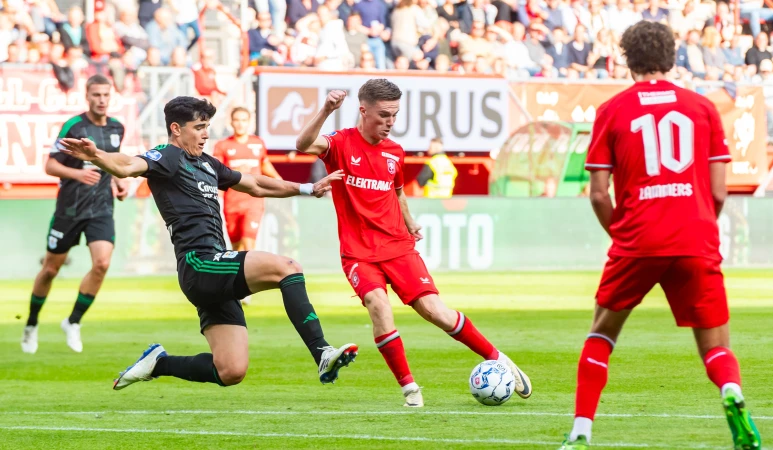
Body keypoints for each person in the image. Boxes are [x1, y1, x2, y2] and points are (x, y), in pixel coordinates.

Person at [58, 96, 357, 390]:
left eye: (207, 126)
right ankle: (321, 351)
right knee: (287, 268)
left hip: (215, 266)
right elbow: (126, 165)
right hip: (198, 264)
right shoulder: (167, 157)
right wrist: (97, 156)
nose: (205, 133)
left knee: (230, 370)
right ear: (176, 129)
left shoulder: (207, 164)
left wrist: (306, 187)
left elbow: (254, 183)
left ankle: (158, 363)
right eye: (199, 126)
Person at [557, 21, 761, 450]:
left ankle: (580, 432)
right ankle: (732, 392)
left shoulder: (611, 111)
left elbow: (597, 194)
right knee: (715, 344)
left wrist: (624, 236)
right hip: (695, 237)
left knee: (601, 334)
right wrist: (700, 220)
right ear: (672, 57)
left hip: (636, 239)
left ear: (627, 59)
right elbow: (720, 190)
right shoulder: (702, 108)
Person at [295, 80, 532, 407]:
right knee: (378, 305)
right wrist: (326, 110)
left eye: (395, 115)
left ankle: (499, 358)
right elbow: (303, 143)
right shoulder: (340, 143)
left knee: (435, 311)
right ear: (363, 110)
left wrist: (409, 221)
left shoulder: (395, 152)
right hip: (358, 252)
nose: (390, 122)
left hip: (398, 247)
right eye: (384, 115)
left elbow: (397, 190)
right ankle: (410, 390)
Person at [21, 75, 127, 355]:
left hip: (102, 208)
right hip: (69, 209)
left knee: (102, 263)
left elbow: (112, 163)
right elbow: (50, 165)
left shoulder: (118, 128)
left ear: (111, 95)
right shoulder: (74, 126)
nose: (101, 100)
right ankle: (31, 324)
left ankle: (73, 321)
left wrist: (118, 182)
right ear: (87, 96)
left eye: (105, 94)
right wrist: (78, 173)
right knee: (51, 270)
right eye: (96, 95)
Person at [213, 106, 282, 305]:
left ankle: (246, 288)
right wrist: (234, 171)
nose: (241, 123)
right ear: (231, 122)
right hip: (232, 202)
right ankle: (237, 283)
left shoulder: (257, 144)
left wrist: (278, 180)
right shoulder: (223, 146)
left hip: (253, 200)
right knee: (235, 246)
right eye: (237, 120)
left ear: (249, 122)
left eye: (244, 120)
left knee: (249, 242)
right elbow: (217, 171)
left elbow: (265, 164)